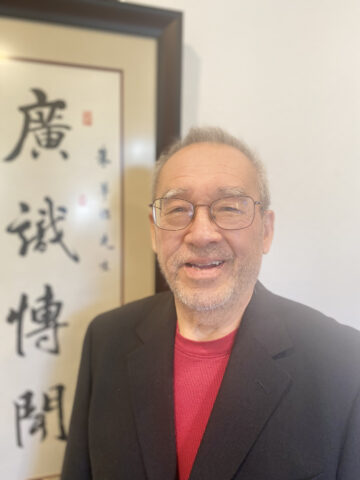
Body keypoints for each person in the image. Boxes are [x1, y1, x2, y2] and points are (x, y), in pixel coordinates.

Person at [61, 127, 360, 480]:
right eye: (176, 209)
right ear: (155, 232)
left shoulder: (343, 363)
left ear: (266, 230)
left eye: (230, 207)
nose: (201, 234)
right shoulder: (107, 339)